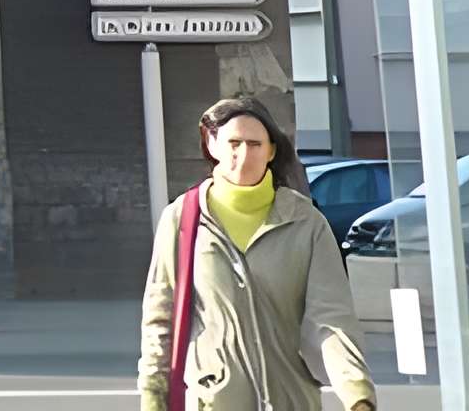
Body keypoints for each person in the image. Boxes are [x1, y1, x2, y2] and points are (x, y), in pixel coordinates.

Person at [138, 95, 374, 411]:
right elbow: (159, 320)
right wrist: (153, 397)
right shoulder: (182, 219)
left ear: (271, 151)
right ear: (212, 144)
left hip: (291, 399)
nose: (244, 154)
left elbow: (332, 318)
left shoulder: (305, 222)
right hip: (214, 400)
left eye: (255, 144)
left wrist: (357, 393)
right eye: (234, 143)